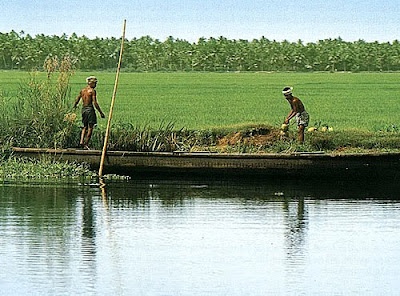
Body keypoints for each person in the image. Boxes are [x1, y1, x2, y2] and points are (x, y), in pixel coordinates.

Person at [73, 76, 105, 149]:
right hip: (90, 109)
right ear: (91, 83)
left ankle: (81, 141)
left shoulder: (82, 90)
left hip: (83, 109)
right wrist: (101, 112)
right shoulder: (92, 91)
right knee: (90, 127)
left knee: (85, 126)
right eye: (95, 83)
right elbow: (95, 103)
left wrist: (74, 106)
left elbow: (77, 99)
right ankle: (86, 144)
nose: (96, 85)